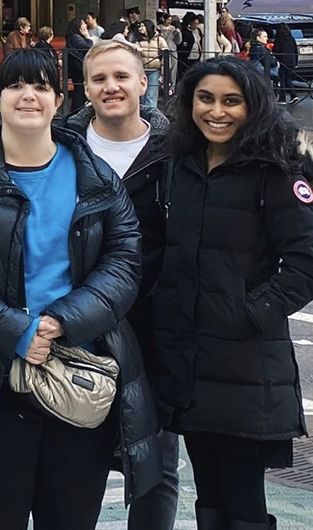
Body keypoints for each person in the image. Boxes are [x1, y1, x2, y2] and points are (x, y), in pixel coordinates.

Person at [0, 47, 158, 530]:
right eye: (15, 85)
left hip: (79, 371)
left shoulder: (95, 175)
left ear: (59, 98)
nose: (28, 96)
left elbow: (124, 261)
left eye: (41, 86)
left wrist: (61, 322)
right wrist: (17, 331)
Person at [153, 58, 313, 530]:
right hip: (187, 360)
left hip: (245, 365)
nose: (217, 112)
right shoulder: (180, 161)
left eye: (232, 101)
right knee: (209, 492)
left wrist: (247, 314)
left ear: (252, 107)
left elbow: (306, 266)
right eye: (205, 99)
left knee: (243, 499)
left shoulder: (275, 168)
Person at [67, 40, 180, 530]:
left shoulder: (177, 148)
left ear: (142, 82)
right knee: (75, 461)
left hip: (156, 326)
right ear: (86, 87)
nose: (110, 87)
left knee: (155, 464)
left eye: (121, 77)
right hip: (78, 323)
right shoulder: (60, 145)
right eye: (99, 79)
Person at [132, 20, 167, 108]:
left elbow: (166, 53)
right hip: (142, 70)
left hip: (154, 69)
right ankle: (144, 115)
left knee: (151, 94)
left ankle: (151, 115)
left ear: (148, 27)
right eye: (140, 26)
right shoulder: (138, 39)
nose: (140, 28)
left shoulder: (159, 39)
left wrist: (163, 69)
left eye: (142, 26)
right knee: (142, 94)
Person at [64, 17, 92, 114]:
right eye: (83, 24)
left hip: (76, 67)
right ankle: (76, 113)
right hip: (78, 68)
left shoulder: (73, 37)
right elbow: (88, 48)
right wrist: (88, 37)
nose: (85, 26)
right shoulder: (76, 37)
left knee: (79, 92)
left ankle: (76, 112)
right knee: (79, 93)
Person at [272, 22, 299, 103]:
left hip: (282, 61)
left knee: (282, 79)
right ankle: (293, 95)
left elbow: (276, 50)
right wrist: (296, 62)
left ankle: (283, 98)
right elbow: (295, 50)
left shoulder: (278, 38)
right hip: (292, 61)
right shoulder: (291, 38)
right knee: (288, 79)